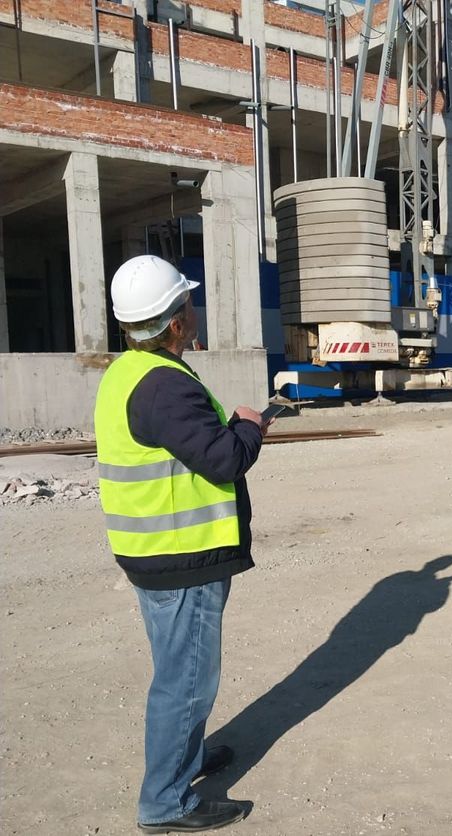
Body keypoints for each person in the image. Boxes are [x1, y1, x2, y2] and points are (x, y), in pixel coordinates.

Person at [95, 255, 269, 833]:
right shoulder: (163, 385)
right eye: (187, 303)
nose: (192, 311)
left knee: (180, 671)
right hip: (181, 560)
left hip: (157, 554)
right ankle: (165, 803)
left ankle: (186, 760)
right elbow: (222, 458)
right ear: (175, 321)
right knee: (186, 682)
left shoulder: (128, 372)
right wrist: (248, 424)